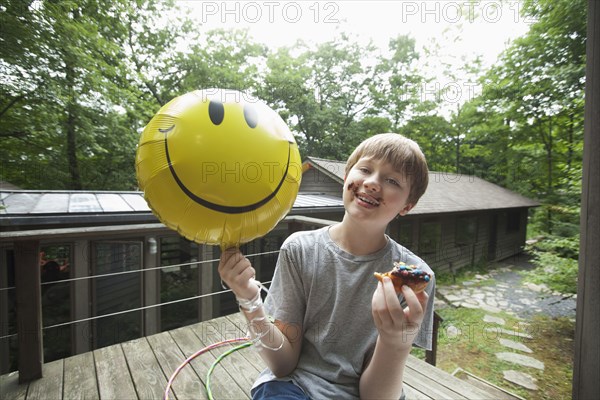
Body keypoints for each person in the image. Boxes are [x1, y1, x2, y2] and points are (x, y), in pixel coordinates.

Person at [218, 133, 435, 399]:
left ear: (407, 205)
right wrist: (250, 301)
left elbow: (375, 396)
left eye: (392, 180)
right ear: (346, 177)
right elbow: (283, 365)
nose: (372, 183)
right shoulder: (299, 250)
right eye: (365, 169)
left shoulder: (416, 279)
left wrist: (394, 343)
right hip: (295, 386)